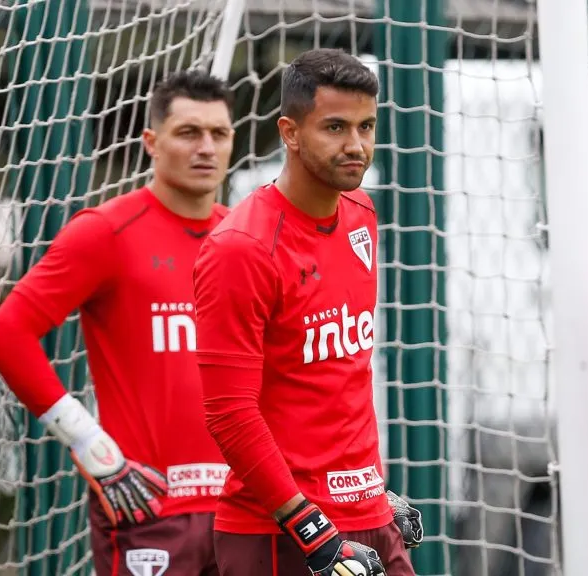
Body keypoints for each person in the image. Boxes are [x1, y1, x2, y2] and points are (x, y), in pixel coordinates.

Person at [0, 69, 235, 575]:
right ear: (151, 142)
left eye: (219, 134)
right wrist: (88, 443)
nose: (206, 147)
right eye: (188, 132)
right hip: (149, 505)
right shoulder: (106, 233)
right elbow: (6, 335)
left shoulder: (243, 239)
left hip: (244, 508)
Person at [191, 48, 422, 576]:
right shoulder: (241, 248)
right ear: (290, 133)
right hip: (281, 532)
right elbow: (230, 414)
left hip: (365, 517)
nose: (356, 145)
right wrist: (311, 529)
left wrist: (373, 493)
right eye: (336, 127)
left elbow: (341, 384)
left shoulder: (362, 212)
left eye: (367, 126)